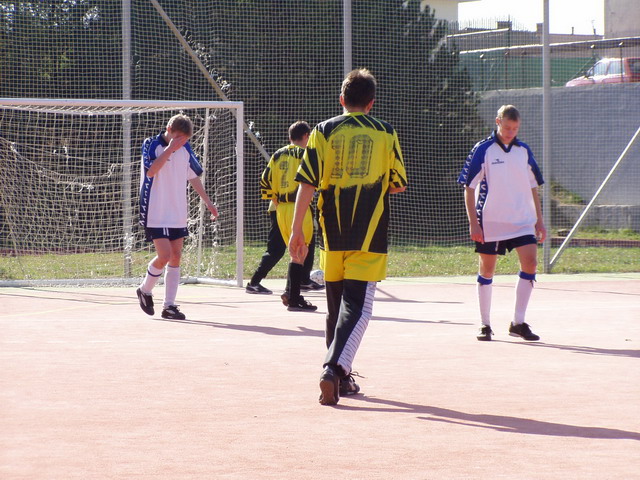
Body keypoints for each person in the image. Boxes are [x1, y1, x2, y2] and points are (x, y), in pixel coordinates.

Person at [289, 69, 408, 405]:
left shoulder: (322, 131)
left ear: (342, 99)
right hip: (369, 232)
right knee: (357, 305)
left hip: (331, 232)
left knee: (335, 307)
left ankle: (341, 377)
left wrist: (297, 231)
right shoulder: (386, 132)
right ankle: (333, 369)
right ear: (371, 103)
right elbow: (398, 184)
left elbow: (307, 183)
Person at [457, 104, 546, 342]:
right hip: (491, 222)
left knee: (531, 263)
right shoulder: (483, 150)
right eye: (507, 127)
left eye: (515, 128)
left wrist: (539, 221)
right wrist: (474, 223)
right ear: (498, 122)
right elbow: (469, 187)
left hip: (521, 220)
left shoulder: (523, 151)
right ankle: (485, 324)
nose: (510, 132)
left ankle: (518, 323)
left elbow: (533, 186)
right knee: (487, 270)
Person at [136, 114, 218, 320]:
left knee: (176, 255)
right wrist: (170, 149)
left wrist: (208, 202)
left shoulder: (185, 149)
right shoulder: (152, 144)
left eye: (185, 139)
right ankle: (145, 290)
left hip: (177, 210)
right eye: (179, 138)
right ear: (169, 129)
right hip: (156, 209)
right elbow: (151, 171)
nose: (182, 142)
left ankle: (169, 306)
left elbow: (193, 176)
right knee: (164, 255)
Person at [257, 121, 321, 311]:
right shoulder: (306, 153)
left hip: (281, 208)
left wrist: (276, 201)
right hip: (299, 205)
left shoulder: (277, 154)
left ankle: (291, 293)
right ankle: (294, 298)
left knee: (295, 251)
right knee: (302, 251)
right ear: (307, 136)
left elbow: (265, 180)